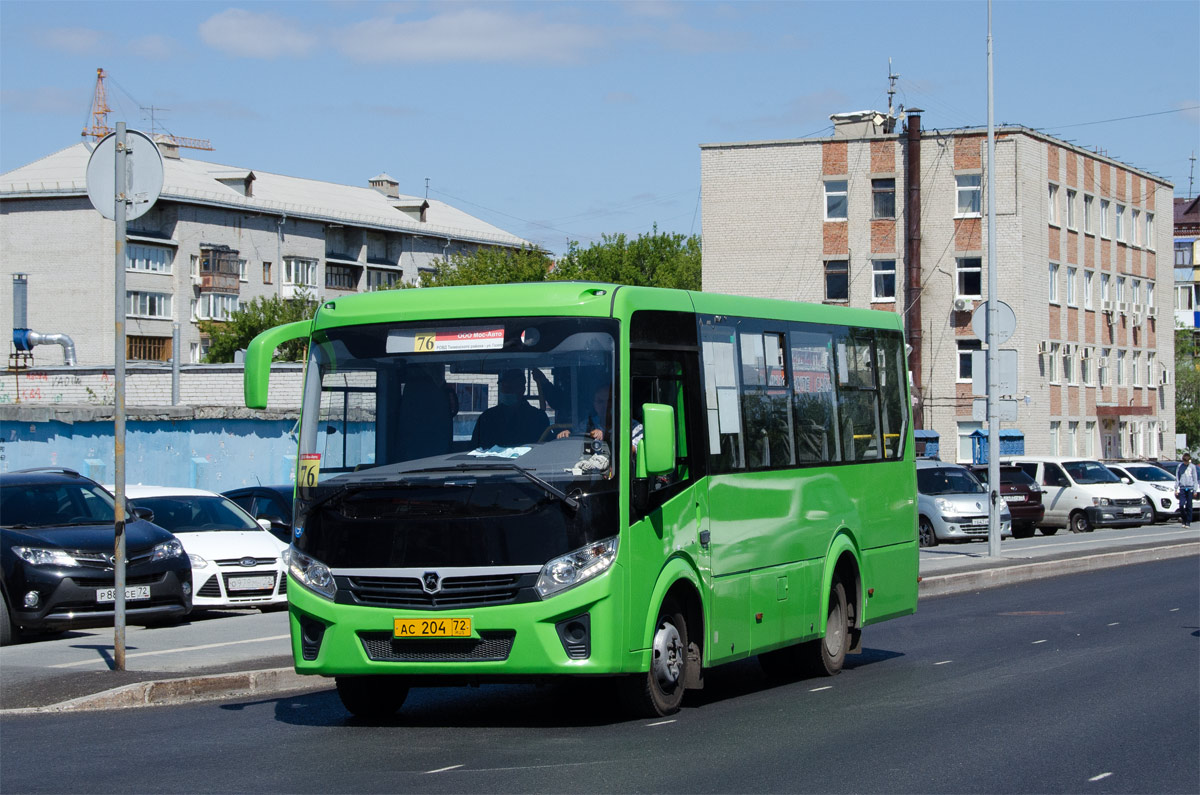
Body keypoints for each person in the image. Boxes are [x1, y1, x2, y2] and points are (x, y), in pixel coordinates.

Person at [470, 369, 549, 449]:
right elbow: (475, 448)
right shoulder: (487, 417)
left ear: (522, 390)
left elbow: (546, 448)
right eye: (504, 387)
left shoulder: (537, 417)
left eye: (511, 388)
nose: (506, 392)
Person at [1176, 453, 1197, 527]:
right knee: (1181, 505)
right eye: (1185, 461)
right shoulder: (1180, 466)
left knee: (1189, 505)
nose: (1186, 463)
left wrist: (1195, 490)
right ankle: (1184, 519)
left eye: (1187, 461)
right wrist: (1176, 488)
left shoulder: (1192, 467)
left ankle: (1188, 521)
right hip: (1182, 487)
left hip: (1190, 488)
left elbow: (1195, 479)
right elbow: (1177, 477)